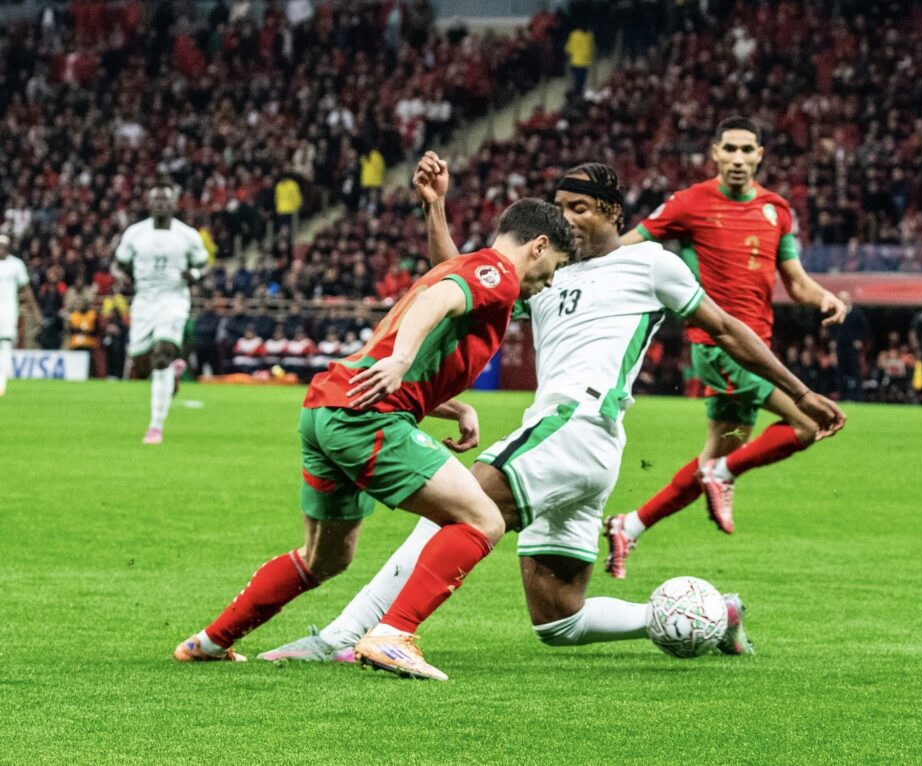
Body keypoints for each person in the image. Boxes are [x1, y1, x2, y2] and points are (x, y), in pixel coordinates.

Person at [258, 154, 843, 667]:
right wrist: (435, 210)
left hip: (575, 425)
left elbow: (726, 329)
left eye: (579, 208)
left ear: (613, 212)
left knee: (455, 509)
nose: (566, 219)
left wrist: (799, 394)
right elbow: (460, 282)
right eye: (559, 208)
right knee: (558, 619)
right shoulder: (545, 276)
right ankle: (713, 614)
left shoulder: (651, 264)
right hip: (581, 449)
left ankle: (344, 636)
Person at [172, 197, 573, 682]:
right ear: (539, 246)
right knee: (483, 520)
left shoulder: (467, 269)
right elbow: (435, 301)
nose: (550, 280)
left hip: (329, 409)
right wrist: (401, 359)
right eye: (555, 267)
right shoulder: (499, 273)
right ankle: (393, 634)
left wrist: (456, 406)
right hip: (367, 420)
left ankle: (209, 642)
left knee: (325, 558)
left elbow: (440, 289)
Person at [604, 116, 848, 578]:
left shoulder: (777, 210)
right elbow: (625, 246)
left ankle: (629, 525)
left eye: (746, 149)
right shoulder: (689, 203)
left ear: (760, 155)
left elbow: (796, 282)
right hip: (720, 346)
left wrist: (825, 297)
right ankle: (723, 475)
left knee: (715, 455)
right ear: (714, 153)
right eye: (729, 149)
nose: (738, 158)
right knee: (807, 422)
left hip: (758, 350)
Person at [114, 182, 209, 444]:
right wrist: (122, 277)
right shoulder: (135, 233)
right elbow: (119, 263)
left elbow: (205, 265)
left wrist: (195, 274)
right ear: (149, 203)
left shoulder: (187, 235)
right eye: (156, 199)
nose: (160, 204)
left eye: (165, 200)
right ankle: (172, 375)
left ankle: (155, 426)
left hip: (173, 299)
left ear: (174, 203)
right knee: (141, 364)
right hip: (144, 301)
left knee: (161, 355)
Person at [0, 233, 41, 396]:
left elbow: (26, 289)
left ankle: (2, 379)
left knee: (6, 343)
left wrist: (35, 311)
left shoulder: (16, 265)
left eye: (3, 246)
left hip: (8, 310)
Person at [830, 290, 868, 401]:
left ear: (849, 299)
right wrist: (833, 344)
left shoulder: (856, 313)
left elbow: (865, 329)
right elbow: (832, 330)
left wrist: (859, 340)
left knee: (855, 372)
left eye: (844, 298)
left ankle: (857, 396)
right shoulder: (835, 313)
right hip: (840, 347)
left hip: (852, 347)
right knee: (840, 372)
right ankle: (842, 396)